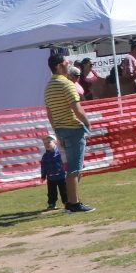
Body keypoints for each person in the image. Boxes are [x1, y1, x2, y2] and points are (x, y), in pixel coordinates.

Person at [43, 53, 94, 213]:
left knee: (74, 167)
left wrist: (57, 132)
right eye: (66, 61)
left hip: (61, 129)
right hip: (73, 128)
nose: (69, 62)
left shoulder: (49, 86)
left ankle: (72, 200)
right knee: (74, 168)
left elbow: (50, 113)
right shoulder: (66, 84)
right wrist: (87, 122)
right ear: (59, 66)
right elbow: (77, 109)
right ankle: (73, 203)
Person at [39, 135, 68, 211]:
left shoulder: (60, 153)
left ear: (55, 142)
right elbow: (43, 166)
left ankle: (66, 202)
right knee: (51, 192)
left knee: (64, 191)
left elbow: (65, 163)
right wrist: (43, 176)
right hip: (51, 178)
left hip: (62, 177)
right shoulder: (45, 156)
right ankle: (51, 204)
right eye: (45, 143)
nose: (47, 145)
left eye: (49, 142)